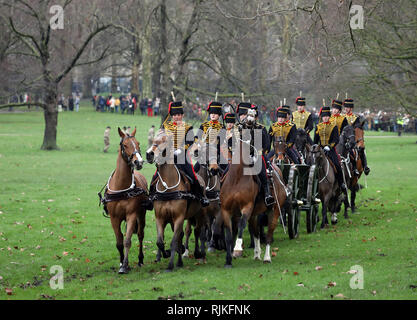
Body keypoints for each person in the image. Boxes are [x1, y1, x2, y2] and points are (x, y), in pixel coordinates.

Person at [149, 100, 209, 207]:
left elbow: (190, 142)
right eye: (175, 115)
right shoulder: (165, 126)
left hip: (182, 156)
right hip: (167, 157)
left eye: (179, 115)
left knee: (192, 175)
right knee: (155, 176)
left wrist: (181, 149)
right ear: (172, 116)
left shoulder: (187, 127)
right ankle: (150, 198)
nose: (177, 117)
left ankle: (200, 197)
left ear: (182, 115)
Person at [229, 102, 274, 207]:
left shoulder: (260, 128)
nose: (244, 117)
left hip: (255, 155)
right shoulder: (237, 127)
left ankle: (267, 194)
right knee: (227, 171)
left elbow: (266, 145)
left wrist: (257, 154)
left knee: (262, 172)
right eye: (242, 115)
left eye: (247, 115)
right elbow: (231, 143)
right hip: (239, 156)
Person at [314, 106, 347, 193]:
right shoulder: (318, 127)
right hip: (320, 150)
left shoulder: (334, 127)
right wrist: (317, 147)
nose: (325, 118)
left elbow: (336, 140)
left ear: (329, 117)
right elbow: (315, 140)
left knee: (337, 166)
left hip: (330, 150)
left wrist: (329, 146)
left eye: (327, 116)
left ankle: (341, 183)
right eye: (323, 116)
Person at [193, 101, 224, 174]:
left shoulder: (222, 127)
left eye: (215, 113)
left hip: (216, 152)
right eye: (211, 113)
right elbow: (196, 138)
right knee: (195, 170)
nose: (213, 115)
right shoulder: (204, 125)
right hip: (204, 151)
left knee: (224, 171)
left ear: (219, 115)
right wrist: (199, 144)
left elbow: (222, 142)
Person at [343, 98, 370, 175]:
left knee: (361, 149)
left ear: (351, 108)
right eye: (345, 107)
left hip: (353, 138)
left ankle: (365, 166)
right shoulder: (342, 117)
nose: (345, 109)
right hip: (344, 138)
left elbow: (358, 128)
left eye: (347, 107)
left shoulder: (355, 118)